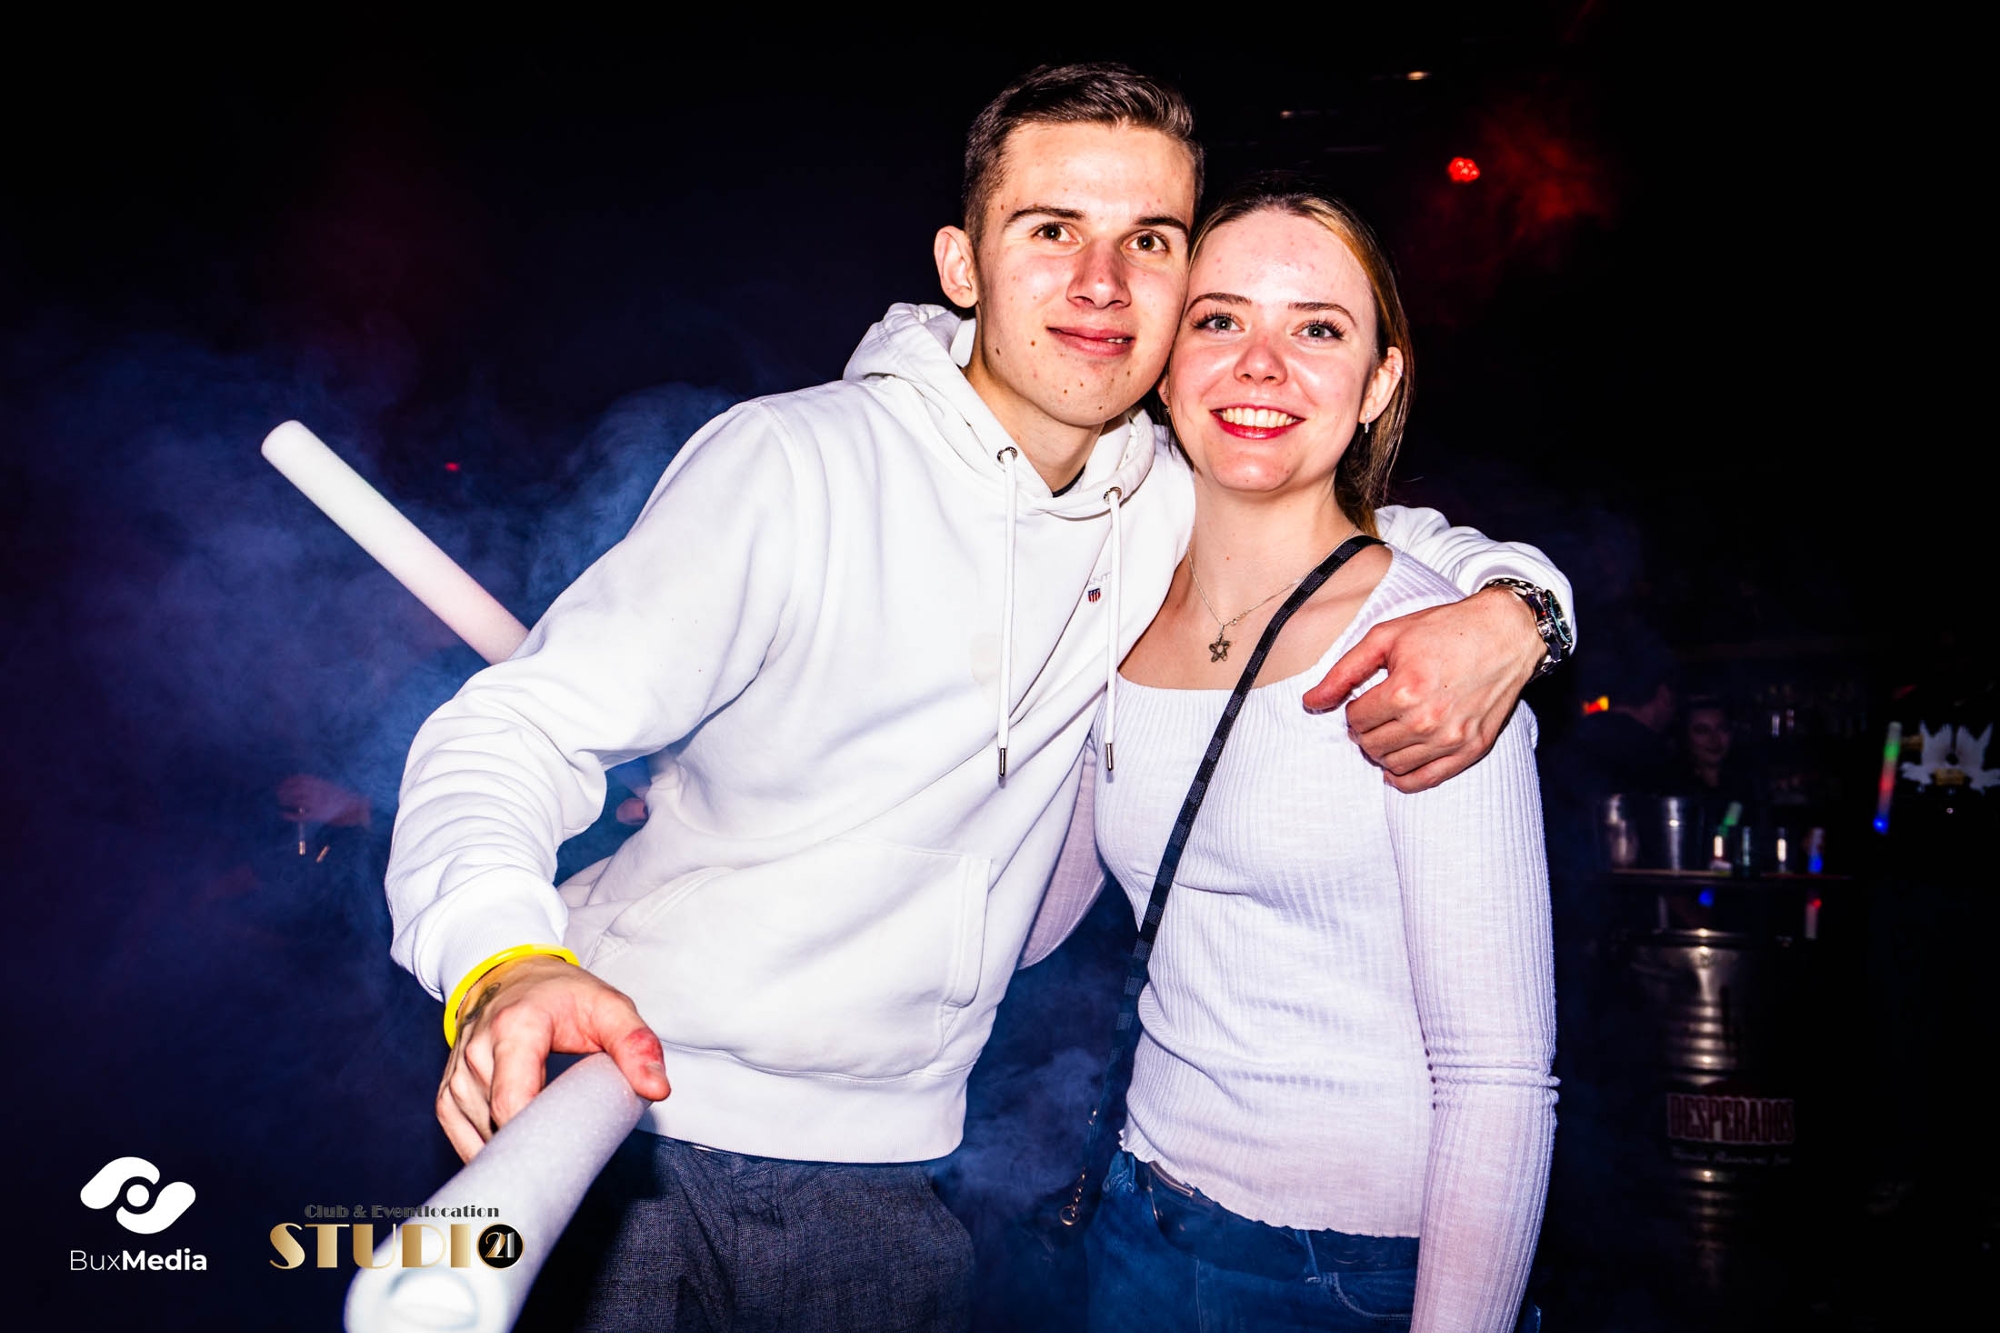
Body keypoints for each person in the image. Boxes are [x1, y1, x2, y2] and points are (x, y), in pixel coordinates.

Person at [386, 65, 1574, 1330]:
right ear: (962, 263)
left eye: (1148, 241)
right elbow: (508, 728)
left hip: (899, 1171)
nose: (1101, 282)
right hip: (639, 1118)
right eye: (1051, 229)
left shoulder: (1156, 501)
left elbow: (1359, 534)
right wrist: (502, 961)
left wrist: (1521, 609)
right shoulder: (796, 465)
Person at [1025, 179, 1556, 1332]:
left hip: (1346, 1275)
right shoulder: (1116, 607)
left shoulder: (1430, 652)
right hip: (1133, 1219)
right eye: (1217, 318)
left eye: (1315, 328)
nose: (1259, 364)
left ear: (1377, 384)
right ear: (1163, 357)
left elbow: (1498, 1080)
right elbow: (1034, 914)